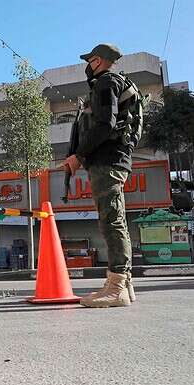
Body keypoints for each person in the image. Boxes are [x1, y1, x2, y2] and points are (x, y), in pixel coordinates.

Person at [64, 43, 142, 308]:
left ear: (97, 61)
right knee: (116, 219)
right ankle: (124, 284)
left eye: (89, 61)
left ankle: (116, 285)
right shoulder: (119, 82)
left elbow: (105, 124)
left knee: (111, 221)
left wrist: (79, 155)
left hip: (107, 161)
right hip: (117, 159)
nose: (87, 66)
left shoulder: (105, 83)